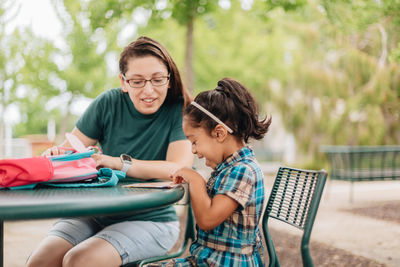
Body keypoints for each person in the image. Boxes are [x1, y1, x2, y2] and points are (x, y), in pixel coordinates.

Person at [26, 36, 193, 267]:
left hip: (152, 220)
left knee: (80, 260)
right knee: (40, 262)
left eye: (157, 79)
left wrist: (118, 163)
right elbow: (71, 150)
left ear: (169, 80)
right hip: (93, 212)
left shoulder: (179, 110)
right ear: (123, 82)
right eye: (137, 81)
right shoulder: (107, 103)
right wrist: (58, 155)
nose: (149, 90)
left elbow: (178, 168)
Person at [161, 78, 272, 266]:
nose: (193, 150)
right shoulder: (228, 168)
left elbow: (207, 219)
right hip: (211, 259)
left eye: (194, 141)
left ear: (219, 133)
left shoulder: (243, 170)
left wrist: (195, 180)